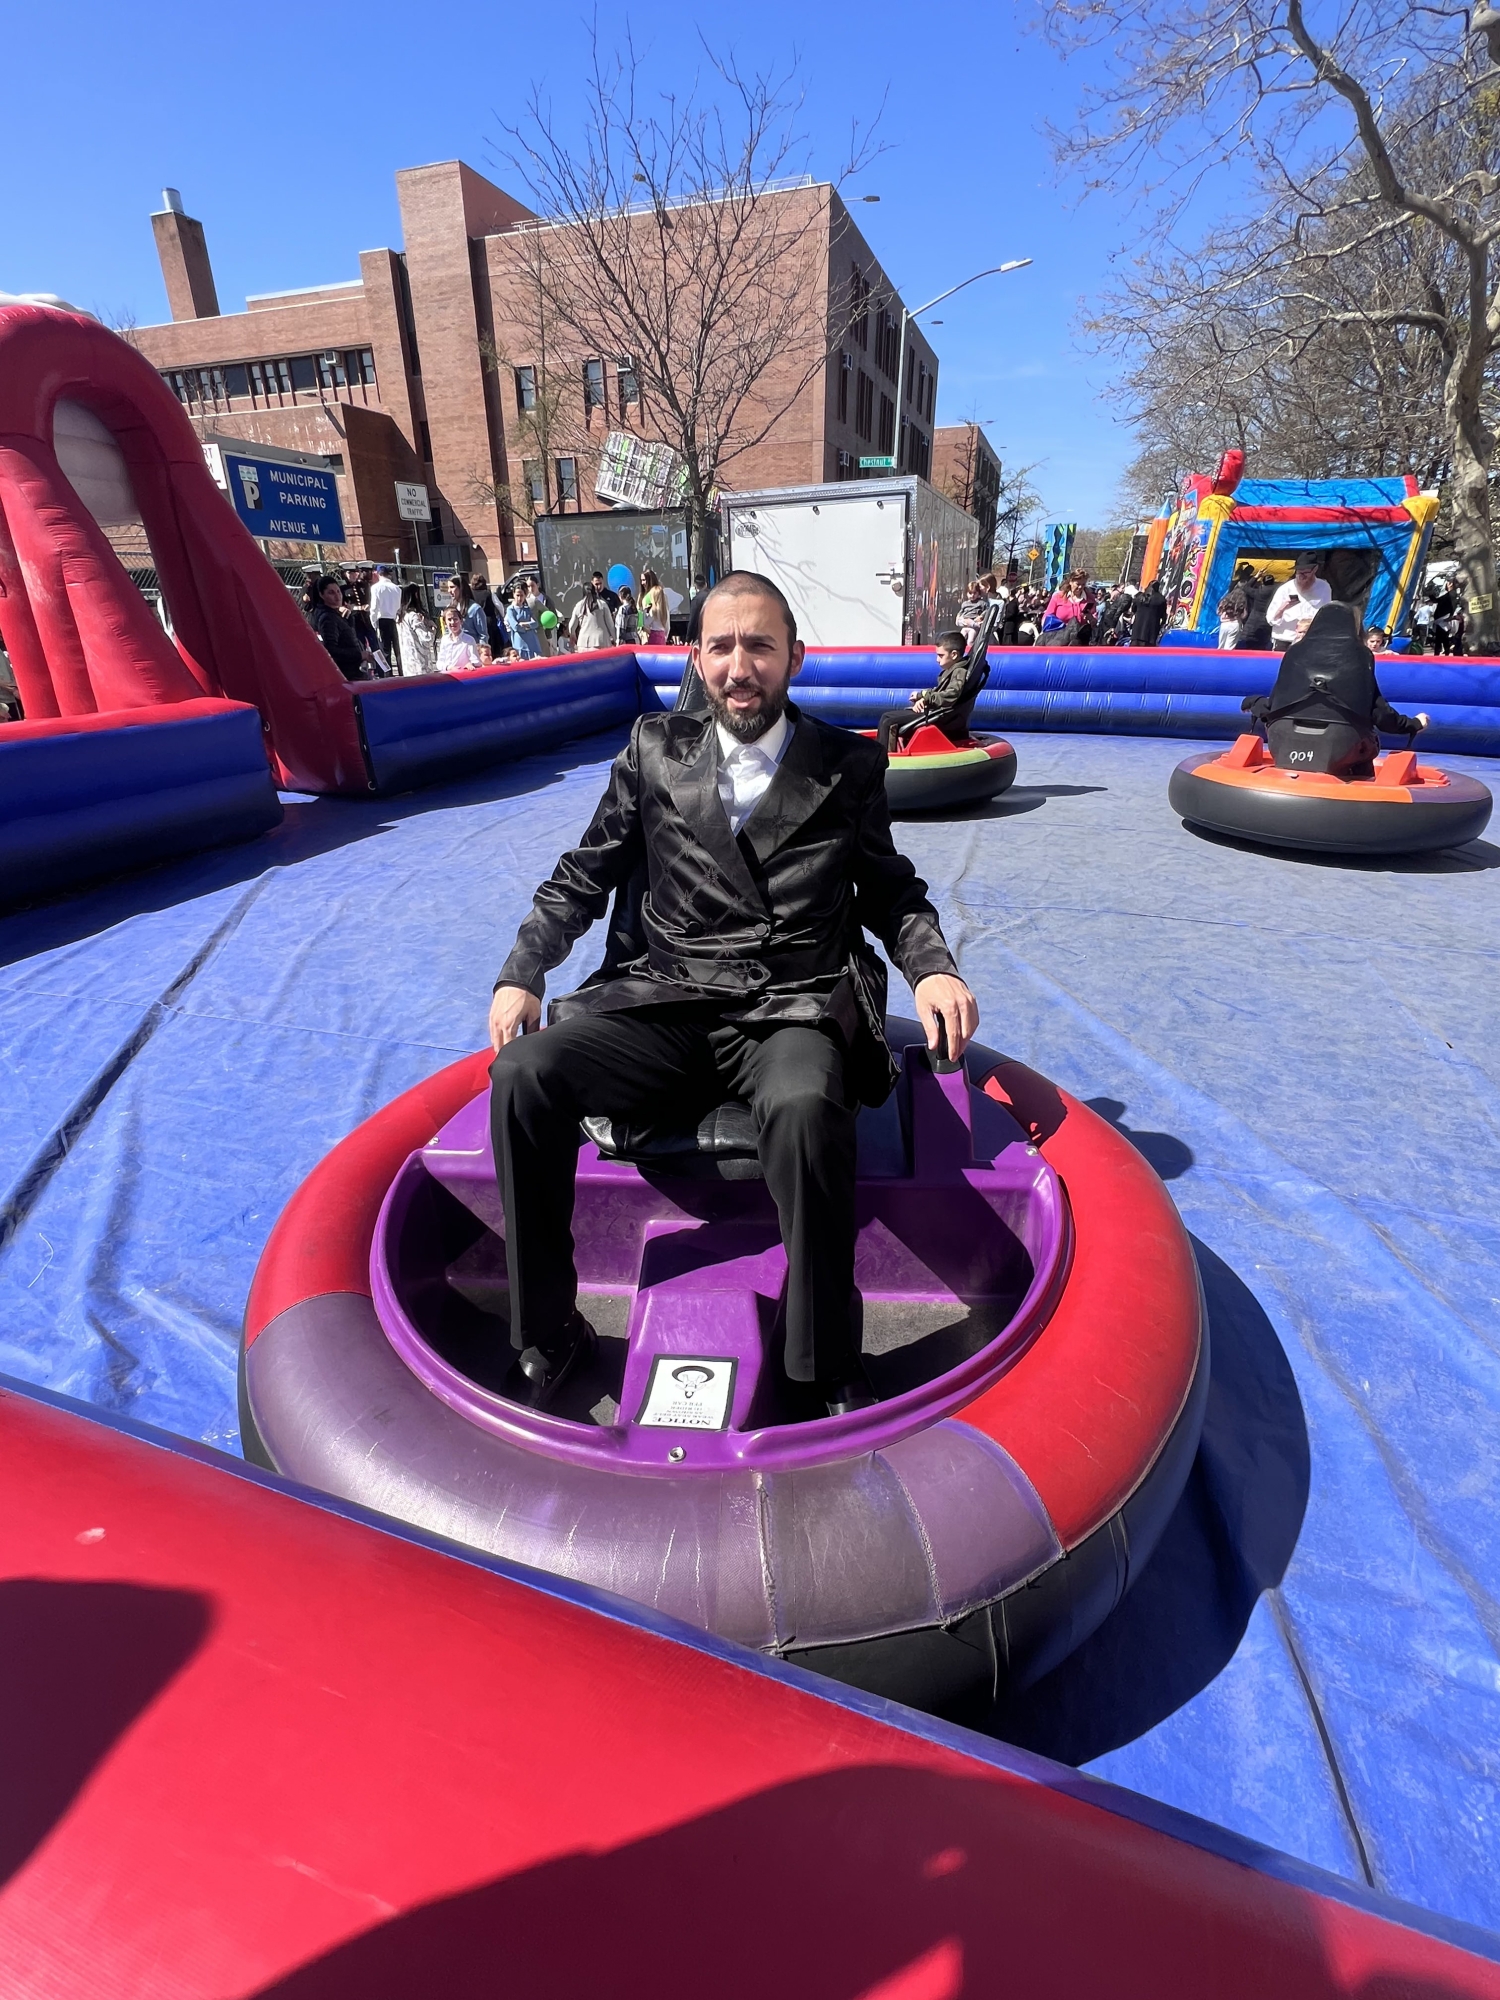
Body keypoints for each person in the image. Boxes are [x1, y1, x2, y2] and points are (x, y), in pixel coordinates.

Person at [487, 570, 978, 1414]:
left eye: (759, 646)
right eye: (721, 647)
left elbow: (891, 891)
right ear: (697, 658)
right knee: (523, 1075)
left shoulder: (849, 764)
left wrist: (932, 965)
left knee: (806, 1102)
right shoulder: (653, 749)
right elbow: (584, 874)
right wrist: (522, 968)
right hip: (666, 1000)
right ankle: (548, 1330)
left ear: (794, 656)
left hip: (790, 1007)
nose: (739, 667)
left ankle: (821, 1359)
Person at [1241, 601, 1428, 779]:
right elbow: (1380, 713)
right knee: (1366, 739)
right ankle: (1358, 786)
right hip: (1343, 742)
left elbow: (1275, 704)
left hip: (1282, 737)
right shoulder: (1360, 656)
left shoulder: (1294, 652)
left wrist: (1253, 702)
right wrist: (1413, 724)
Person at [877, 630, 973, 750]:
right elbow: (940, 692)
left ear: (954, 654)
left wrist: (926, 698)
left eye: (941, 655)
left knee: (889, 722)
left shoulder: (959, 672)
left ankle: (884, 757)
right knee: (886, 716)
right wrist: (921, 696)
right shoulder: (953, 671)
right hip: (937, 713)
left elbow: (951, 695)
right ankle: (880, 751)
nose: (937, 659)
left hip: (942, 717)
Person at [307, 575, 371, 680]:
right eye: (331, 593)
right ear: (321, 595)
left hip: (353, 671)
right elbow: (331, 650)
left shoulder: (335, 614)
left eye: (338, 591)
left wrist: (349, 617)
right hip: (346, 675)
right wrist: (360, 655)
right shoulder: (328, 618)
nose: (338, 596)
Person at [1267, 555, 1332, 650]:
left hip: (1310, 640)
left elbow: (1326, 614)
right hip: (1285, 639)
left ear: (1315, 569)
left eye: (1305, 573)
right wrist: (1283, 608)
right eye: (1299, 573)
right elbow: (1270, 619)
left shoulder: (1324, 587)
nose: (1301, 577)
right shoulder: (1285, 589)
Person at [397, 585, 437, 675]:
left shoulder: (400, 617)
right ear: (416, 595)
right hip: (420, 664)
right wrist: (432, 628)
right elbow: (427, 640)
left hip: (407, 664)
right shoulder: (414, 616)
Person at [1234, 569, 1278, 650]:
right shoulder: (1277, 592)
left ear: (1263, 582)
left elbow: (1246, 587)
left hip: (1254, 620)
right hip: (1268, 619)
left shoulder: (1258, 592)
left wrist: (1256, 576)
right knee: (1263, 643)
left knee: (1249, 642)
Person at [435, 604, 487, 673]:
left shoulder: (469, 640)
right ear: (445, 622)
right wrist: (448, 667)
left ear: (461, 621)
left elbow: (477, 661)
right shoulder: (444, 640)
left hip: (462, 675)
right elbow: (439, 663)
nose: (453, 622)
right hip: (447, 675)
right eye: (449, 619)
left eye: (455, 619)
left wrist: (470, 664)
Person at [1217, 563, 1255, 648]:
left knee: (1221, 646)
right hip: (1235, 624)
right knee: (1229, 647)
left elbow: (1218, 611)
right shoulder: (1243, 600)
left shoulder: (1226, 599)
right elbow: (1244, 615)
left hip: (1224, 624)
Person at [369, 565, 401, 666]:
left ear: (378, 574)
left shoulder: (375, 588)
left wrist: (374, 623)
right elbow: (398, 606)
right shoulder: (397, 588)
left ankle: (387, 673)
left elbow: (374, 607)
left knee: (385, 651)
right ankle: (401, 671)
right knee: (397, 649)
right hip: (394, 619)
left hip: (382, 620)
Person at [570, 582, 616, 652]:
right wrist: (615, 639)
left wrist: (573, 635)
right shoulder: (602, 604)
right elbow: (610, 625)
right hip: (601, 642)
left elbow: (571, 626)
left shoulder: (579, 606)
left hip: (583, 643)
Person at [1130, 577, 1169, 648]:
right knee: (1147, 652)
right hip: (1151, 632)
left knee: (1133, 651)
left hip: (1137, 631)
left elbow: (1133, 610)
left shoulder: (1139, 597)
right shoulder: (1161, 599)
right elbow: (1163, 616)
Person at [506, 583, 541, 660]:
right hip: (519, 643)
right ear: (513, 595)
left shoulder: (527, 609)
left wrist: (525, 624)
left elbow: (536, 623)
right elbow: (515, 626)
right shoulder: (510, 609)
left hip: (532, 643)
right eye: (517, 595)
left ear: (525, 596)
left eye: (522, 595)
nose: (519, 598)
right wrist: (528, 628)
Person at [639, 567, 670, 644]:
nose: (642, 583)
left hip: (651, 633)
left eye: (644, 580)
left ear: (650, 580)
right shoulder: (642, 596)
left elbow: (642, 618)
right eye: (641, 580)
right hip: (649, 633)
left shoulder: (650, 597)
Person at [685, 571, 712, 642]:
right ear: (705, 584)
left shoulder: (696, 599)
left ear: (695, 586)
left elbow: (693, 620)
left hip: (700, 635)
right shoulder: (713, 595)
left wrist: (688, 639)